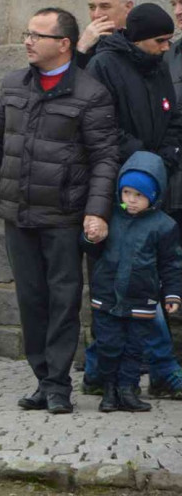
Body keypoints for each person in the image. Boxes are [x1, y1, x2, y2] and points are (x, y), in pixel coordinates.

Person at [0, 8, 118, 414]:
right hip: (19, 214)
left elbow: (105, 158)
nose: (28, 41)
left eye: (37, 35)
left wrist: (98, 210)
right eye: (26, 32)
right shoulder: (13, 84)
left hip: (65, 217)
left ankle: (58, 385)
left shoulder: (91, 93)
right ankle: (42, 379)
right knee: (31, 300)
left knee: (64, 301)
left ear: (63, 44)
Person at [83, 2, 182, 398]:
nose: (166, 48)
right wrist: (144, 158)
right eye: (160, 40)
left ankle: (98, 371)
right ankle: (160, 370)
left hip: (153, 183)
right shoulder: (104, 66)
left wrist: (168, 155)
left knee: (137, 281)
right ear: (140, 39)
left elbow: (173, 115)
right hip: (118, 186)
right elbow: (102, 125)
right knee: (122, 285)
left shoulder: (155, 64)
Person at [81, 152, 182, 413]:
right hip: (107, 297)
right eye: (127, 193)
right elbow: (91, 251)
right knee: (108, 345)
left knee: (134, 349)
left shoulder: (164, 226)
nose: (131, 200)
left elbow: (170, 264)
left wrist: (172, 295)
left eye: (138, 195)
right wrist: (91, 238)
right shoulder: (111, 217)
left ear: (153, 195)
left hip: (141, 299)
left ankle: (128, 388)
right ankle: (109, 390)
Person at [76, 0, 134, 68]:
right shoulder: (84, 44)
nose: (96, 15)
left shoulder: (141, 40)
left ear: (127, 7)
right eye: (92, 7)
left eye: (105, 7)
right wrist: (81, 49)